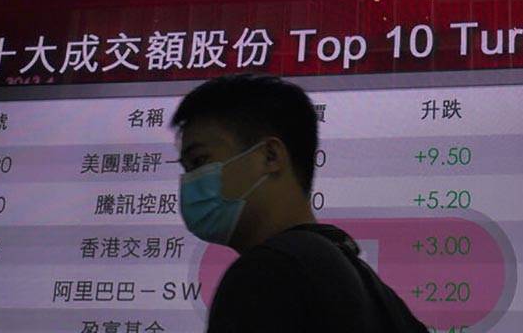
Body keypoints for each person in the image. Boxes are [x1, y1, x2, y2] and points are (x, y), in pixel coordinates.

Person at [171, 73, 429, 333]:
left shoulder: (266, 274)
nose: (189, 182)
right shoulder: (378, 294)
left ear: (270, 156)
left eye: (199, 161)